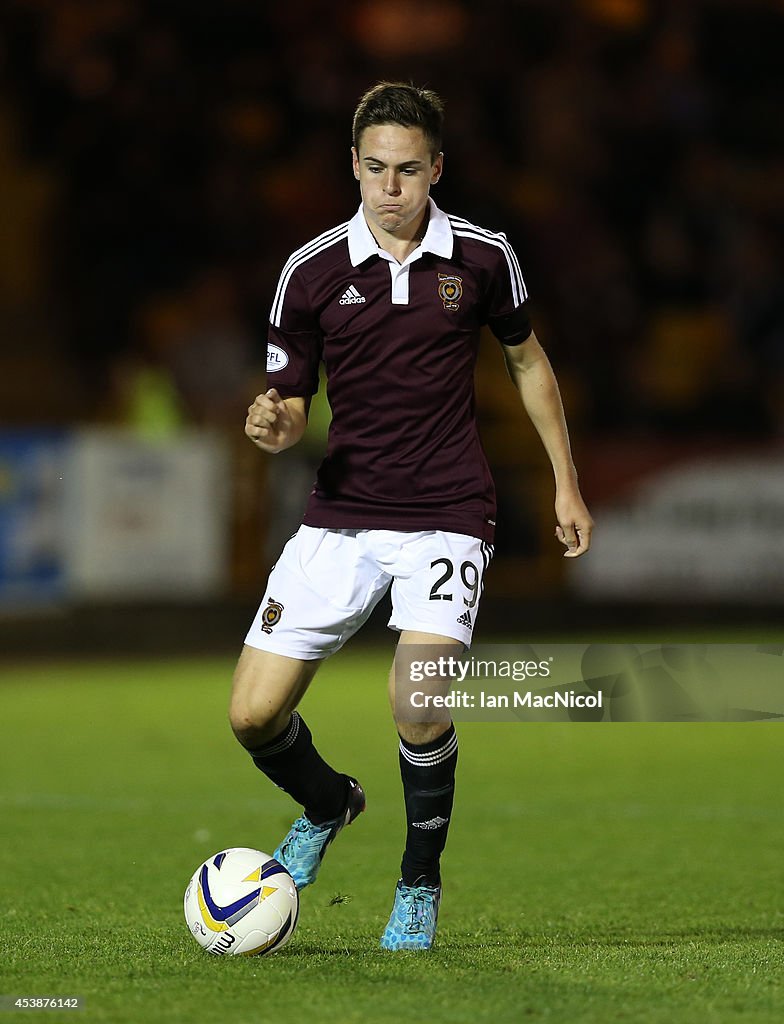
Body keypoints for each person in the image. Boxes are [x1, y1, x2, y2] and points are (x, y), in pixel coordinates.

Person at [229, 81, 593, 951]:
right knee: (251, 716)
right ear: (352, 167)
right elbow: (283, 405)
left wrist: (564, 483)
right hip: (340, 517)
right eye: (373, 170)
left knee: (417, 699)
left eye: (407, 171)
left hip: (447, 513)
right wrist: (273, 424)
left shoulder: (481, 257)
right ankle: (328, 803)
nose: (389, 189)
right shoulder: (309, 270)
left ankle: (417, 887)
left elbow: (528, 364)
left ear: (436, 169)